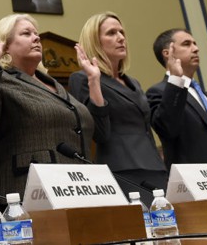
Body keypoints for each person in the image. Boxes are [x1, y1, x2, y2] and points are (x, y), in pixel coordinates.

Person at [0, 15, 95, 206]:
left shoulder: (54, 84)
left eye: (36, 34)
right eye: (26, 33)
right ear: (5, 46)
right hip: (18, 198)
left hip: (71, 193)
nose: (36, 38)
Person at [69, 12, 167, 205]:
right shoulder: (82, 79)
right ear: (95, 42)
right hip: (121, 169)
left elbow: (146, 129)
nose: (121, 38)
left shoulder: (134, 83)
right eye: (111, 33)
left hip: (154, 167)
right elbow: (100, 133)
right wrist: (94, 81)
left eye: (121, 32)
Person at [146, 29, 207, 174]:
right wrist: (176, 80)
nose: (196, 49)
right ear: (168, 53)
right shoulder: (158, 92)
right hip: (198, 180)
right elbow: (167, 128)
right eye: (187, 44)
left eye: (195, 44)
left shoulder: (202, 93)